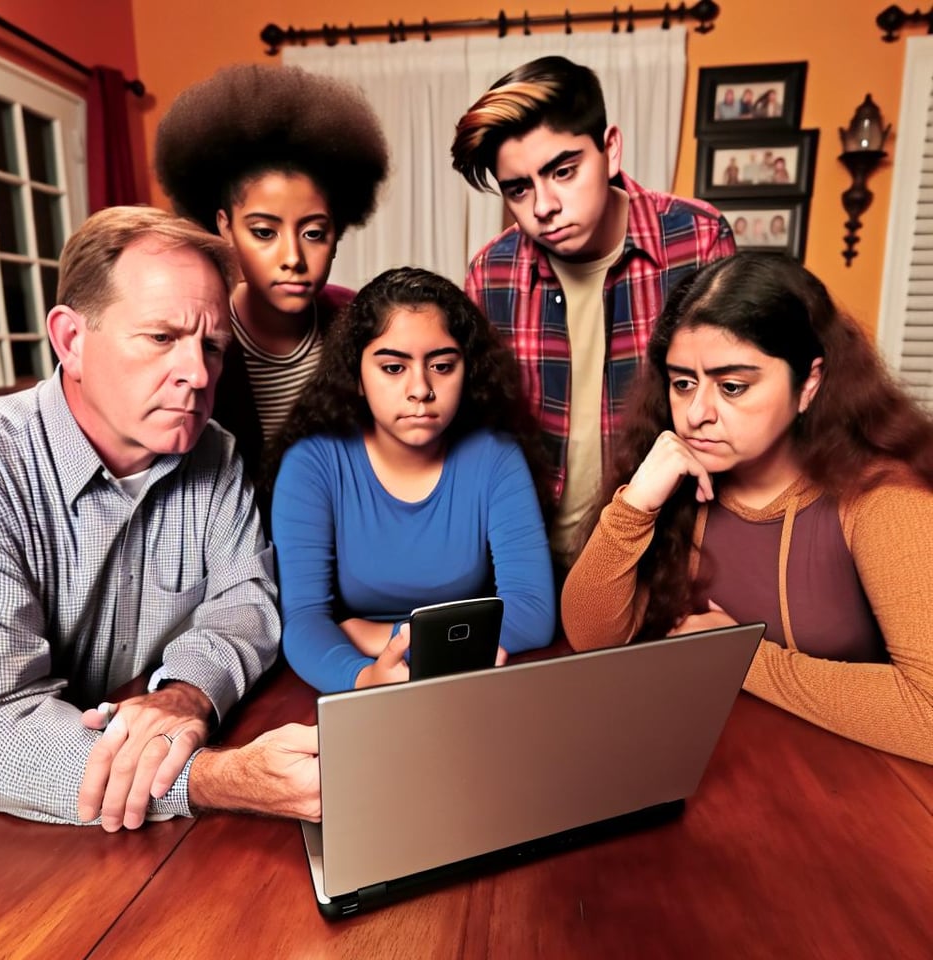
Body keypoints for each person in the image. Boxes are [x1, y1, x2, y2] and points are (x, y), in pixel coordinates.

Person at [0, 206, 320, 828]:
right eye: (162, 337)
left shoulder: (215, 451)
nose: (197, 373)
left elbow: (246, 601)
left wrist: (184, 693)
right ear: (72, 340)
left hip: (118, 827)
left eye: (212, 347)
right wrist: (217, 777)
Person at [561, 253, 933, 764]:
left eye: (732, 386)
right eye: (682, 383)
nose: (696, 414)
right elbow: (593, 639)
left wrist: (738, 654)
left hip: (858, 786)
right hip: (718, 768)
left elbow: (928, 713)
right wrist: (637, 504)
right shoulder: (675, 481)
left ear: (809, 383)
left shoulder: (883, 498)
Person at [451, 56, 735, 567]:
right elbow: (480, 431)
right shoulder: (491, 273)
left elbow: (731, 408)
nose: (543, 206)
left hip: (663, 551)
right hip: (529, 561)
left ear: (610, 150)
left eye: (563, 171)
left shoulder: (696, 240)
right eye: (519, 188)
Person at [267, 267, 555, 694]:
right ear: (357, 376)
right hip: (365, 684)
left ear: (467, 370)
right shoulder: (312, 466)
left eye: (441, 365)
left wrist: (380, 635)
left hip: (471, 685)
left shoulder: (495, 457)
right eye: (393, 367)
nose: (420, 388)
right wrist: (362, 676)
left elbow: (533, 612)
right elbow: (304, 621)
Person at [154, 63, 389, 498]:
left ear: (338, 233)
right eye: (264, 232)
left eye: (314, 233)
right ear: (225, 227)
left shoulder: (362, 323)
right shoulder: (197, 337)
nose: (293, 258)